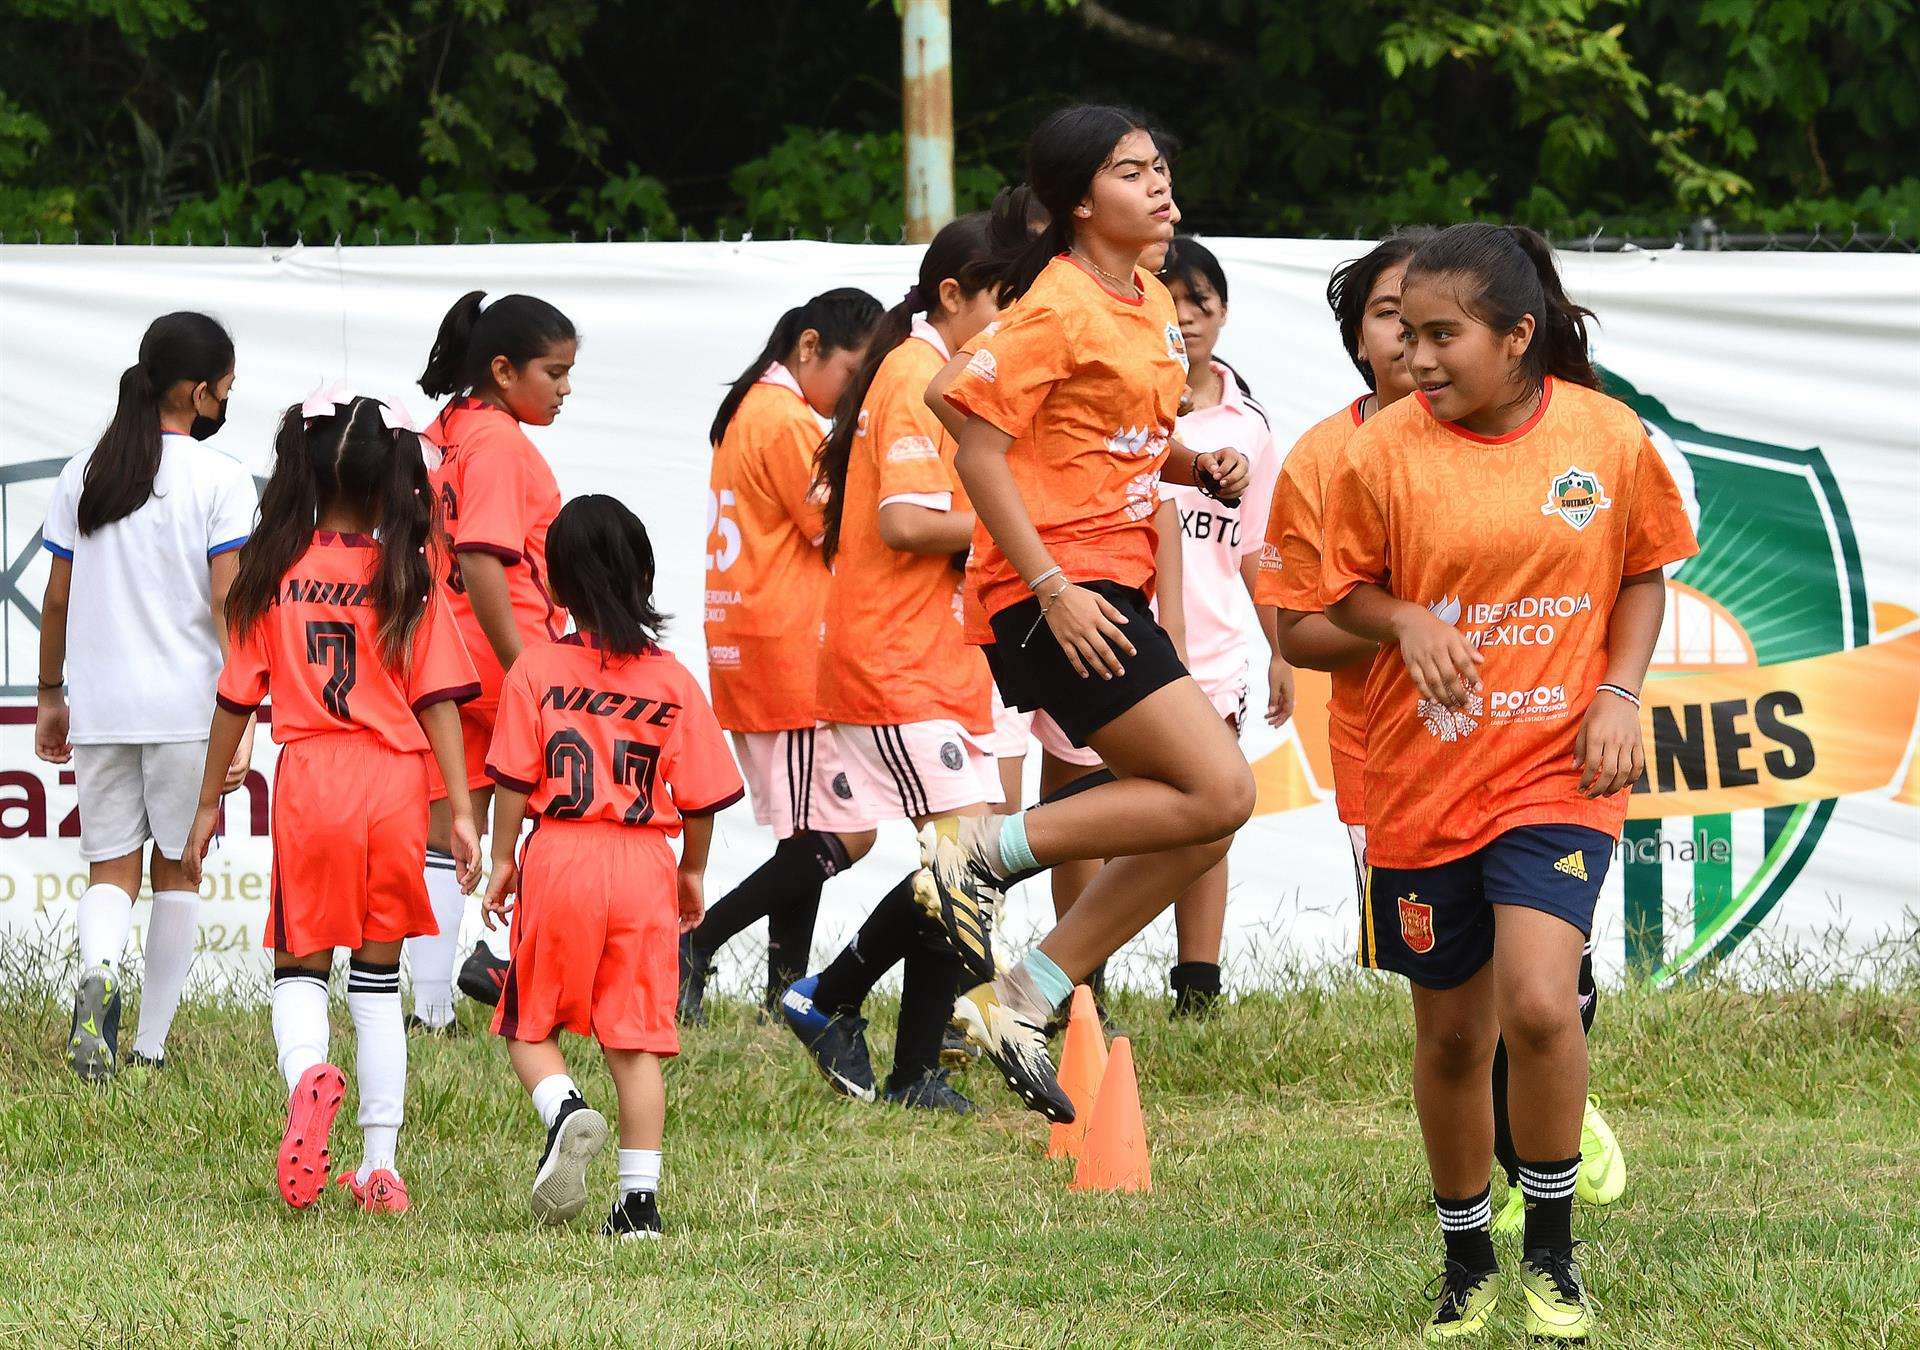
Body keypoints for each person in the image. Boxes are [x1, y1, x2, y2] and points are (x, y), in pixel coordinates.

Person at [1319, 223, 1696, 1340]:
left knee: (1538, 1001)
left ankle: (1554, 1255)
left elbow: (1642, 574)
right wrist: (1404, 619)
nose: (1415, 356)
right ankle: (1463, 1253)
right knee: (1450, 1039)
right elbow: (1329, 601)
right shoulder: (1378, 453)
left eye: (1442, 335)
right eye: (1403, 331)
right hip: (1424, 781)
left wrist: (1619, 696)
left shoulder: (1604, 435)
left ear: (1519, 335)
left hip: (1557, 768)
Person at [916, 103, 1254, 1121]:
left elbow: (1122, 435)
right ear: (1076, 202)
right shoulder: (1058, 303)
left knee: (1200, 820)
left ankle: (1025, 994)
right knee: (1218, 793)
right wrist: (1053, 587)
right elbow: (961, 417)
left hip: (1109, 583)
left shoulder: (1149, 295)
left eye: (1158, 166)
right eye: (1128, 171)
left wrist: (1197, 463)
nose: (1156, 184)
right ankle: (979, 859)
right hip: (1057, 595)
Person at [183, 391, 484, 1214]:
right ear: (390, 477)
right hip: (393, 781)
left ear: (304, 473)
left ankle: (308, 1075)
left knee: (299, 967)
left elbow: (234, 701)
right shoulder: (405, 574)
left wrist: (210, 802)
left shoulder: (271, 575)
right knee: (379, 982)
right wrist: (459, 810)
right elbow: (440, 702)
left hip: (312, 777)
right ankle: (380, 1167)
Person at [775, 214, 1006, 1113]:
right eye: (1004, 301)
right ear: (952, 295)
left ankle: (909, 1064)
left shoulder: (930, 372)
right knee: (971, 863)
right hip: (896, 661)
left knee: (966, 868)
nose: (1015, 322)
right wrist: (1017, 535)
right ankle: (833, 999)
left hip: (932, 659)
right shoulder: (916, 376)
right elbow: (906, 524)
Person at [482, 495, 743, 1239]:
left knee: (528, 1024)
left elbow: (509, 777)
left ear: (555, 587)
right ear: (645, 578)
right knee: (635, 1041)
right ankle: (639, 1206)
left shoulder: (536, 668)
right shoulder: (673, 681)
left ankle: (563, 1108)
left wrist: (504, 860)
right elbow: (702, 798)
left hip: (561, 854)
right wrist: (692, 872)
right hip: (642, 864)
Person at [34, 311, 256, 1080]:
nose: (227, 401)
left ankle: (97, 974)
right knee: (180, 870)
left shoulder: (85, 472)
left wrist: (50, 694)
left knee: (110, 872)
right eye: (225, 389)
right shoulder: (221, 478)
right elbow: (231, 609)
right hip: (189, 709)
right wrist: (247, 712)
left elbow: (56, 602)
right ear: (198, 393)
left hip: (100, 705)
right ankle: (151, 1049)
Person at [681, 288, 884, 1021]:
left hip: (757, 644)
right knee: (844, 832)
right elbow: (844, 528)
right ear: (809, 348)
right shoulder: (788, 420)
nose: (856, 392)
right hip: (790, 650)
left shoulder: (751, 412)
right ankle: (697, 941)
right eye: (855, 371)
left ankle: (779, 992)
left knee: (808, 833)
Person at [406, 291, 577, 1032]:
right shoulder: (502, 444)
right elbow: (480, 556)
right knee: (570, 813)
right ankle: (497, 952)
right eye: (556, 372)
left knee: (449, 830)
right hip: (507, 655)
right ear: (504, 371)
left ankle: (433, 1007)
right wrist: (528, 672)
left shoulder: (444, 428)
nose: (566, 389)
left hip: (444, 655)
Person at [1154, 236, 1287, 1016]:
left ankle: (1197, 987)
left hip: (1211, 655)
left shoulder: (1250, 424)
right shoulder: (1118, 402)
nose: (1187, 317)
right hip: (1111, 638)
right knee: (1092, 805)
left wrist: (1281, 648)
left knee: (1208, 814)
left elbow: (1256, 547)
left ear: (1224, 312)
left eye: (1201, 301)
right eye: (1171, 301)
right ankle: (1078, 983)